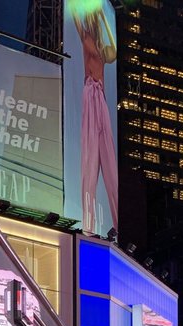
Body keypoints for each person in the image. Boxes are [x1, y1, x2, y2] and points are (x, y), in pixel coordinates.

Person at [72, 5, 119, 234]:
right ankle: (87, 224)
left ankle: (116, 223)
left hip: (100, 96)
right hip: (90, 93)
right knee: (90, 158)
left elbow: (114, 54)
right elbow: (75, 15)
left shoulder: (103, 47)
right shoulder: (85, 36)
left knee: (108, 155)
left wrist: (104, 19)